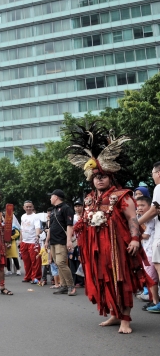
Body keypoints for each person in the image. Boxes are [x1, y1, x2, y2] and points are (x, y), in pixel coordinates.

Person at [68, 123, 153, 333]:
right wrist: (73, 238)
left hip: (117, 248)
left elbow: (133, 219)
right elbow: (82, 223)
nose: (100, 179)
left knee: (120, 278)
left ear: (111, 177)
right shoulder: (89, 199)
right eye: (96, 176)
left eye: (103, 176)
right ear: (91, 178)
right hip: (96, 251)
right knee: (103, 281)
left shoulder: (122, 196)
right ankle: (114, 315)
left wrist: (134, 239)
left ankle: (125, 319)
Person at [138, 162, 160, 314]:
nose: (152, 177)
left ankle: (157, 302)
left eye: (153, 173)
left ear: (158, 173)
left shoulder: (159, 187)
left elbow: (155, 210)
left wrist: (135, 224)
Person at [44, 189, 75, 296]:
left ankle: (71, 286)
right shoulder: (53, 210)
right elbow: (50, 227)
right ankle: (64, 286)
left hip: (62, 240)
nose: (50, 198)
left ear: (56, 197)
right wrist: (47, 240)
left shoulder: (66, 208)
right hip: (53, 240)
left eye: (51, 196)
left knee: (61, 263)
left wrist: (69, 241)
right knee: (57, 263)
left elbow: (69, 225)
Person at [135, 196, 159, 311]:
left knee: (152, 279)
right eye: (138, 205)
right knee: (151, 278)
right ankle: (153, 300)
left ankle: (155, 301)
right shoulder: (140, 217)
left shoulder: (151, 219)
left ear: (150, 207)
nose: (140, 208)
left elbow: (145, 235)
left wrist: (133, 234)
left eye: (143, 205)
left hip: (150, 252)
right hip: (147, 251)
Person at [20, 201, 42, 283]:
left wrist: (37, 236)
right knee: (26, 261)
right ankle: (28, 276)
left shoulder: (35, 216)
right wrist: (21, 240)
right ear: (24, 208)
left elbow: (37, 227)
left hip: (33, 242)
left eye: (30, 206)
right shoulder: (23, 216)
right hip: (24, 242)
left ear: (33, 207)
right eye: (27, 207)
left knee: (35, 261)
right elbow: (21, 229)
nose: (28, 208)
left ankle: (36, 277)